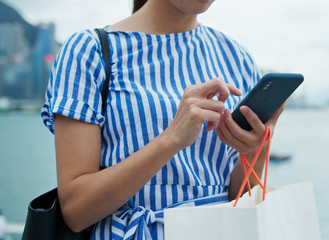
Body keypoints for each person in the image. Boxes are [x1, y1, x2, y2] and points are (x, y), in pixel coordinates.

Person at [41, 0, 284, 239]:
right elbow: (75, 211)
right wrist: (172, 139)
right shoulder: (89, 51)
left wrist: (257, 148)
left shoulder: (238, 59)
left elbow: (241, 201)